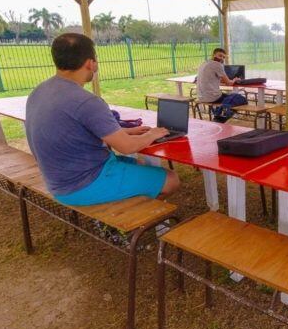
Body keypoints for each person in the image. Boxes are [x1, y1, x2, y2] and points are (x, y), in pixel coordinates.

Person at [25, 33, 180, 206]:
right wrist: (153, 134)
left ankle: (128, 200)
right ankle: (129, 216)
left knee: (140, 164)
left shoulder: (39, 91)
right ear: (90, 63)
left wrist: (124, 131)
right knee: (171, 179)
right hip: (84, 184)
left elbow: (74, 130)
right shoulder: (86, 101)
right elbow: (127, 147)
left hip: (58, 181)